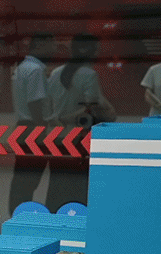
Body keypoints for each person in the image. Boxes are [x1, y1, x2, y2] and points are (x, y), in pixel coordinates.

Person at [47, 34, 116, 208]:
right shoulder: (89, 75)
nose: (99, 53)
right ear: (88, 50)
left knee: (56, 186)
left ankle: (54, 217)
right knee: (77, 189)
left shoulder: (55, 73)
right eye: (97, 49)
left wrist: (59, 118)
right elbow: (90, 108)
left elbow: (48, 105)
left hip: (56, 136)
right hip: (78, 137)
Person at [6, 32, 56, 213]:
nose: (55, 49)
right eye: (52, 44)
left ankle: (16, 212)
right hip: (33, 128)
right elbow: (35, 103)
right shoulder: (35, 70)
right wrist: (43, 130)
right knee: (30, 178)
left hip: (23, 126)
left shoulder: (22, 67)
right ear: (40, 45)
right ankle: (22, 213)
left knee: (21, 177)